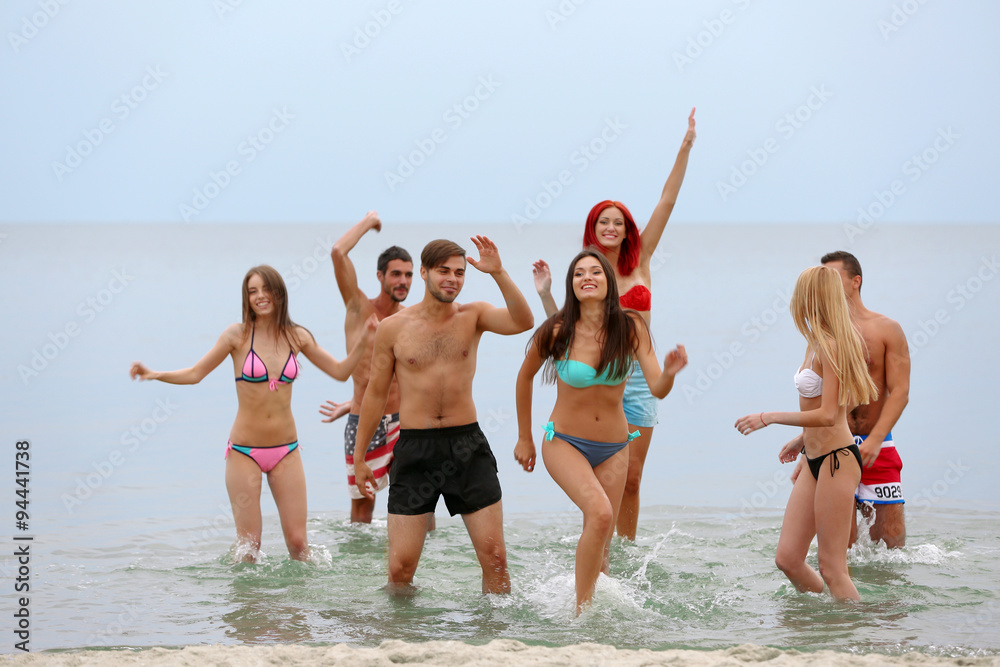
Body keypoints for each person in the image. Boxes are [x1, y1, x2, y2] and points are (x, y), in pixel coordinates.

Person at [129, 265, 374, 561]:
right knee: (249, 548)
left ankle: (300, 607)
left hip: (287, 451)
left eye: (265, 289)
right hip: (244, 452)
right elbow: (195, 373)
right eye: (252, 291)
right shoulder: (237, 336)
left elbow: (339, 371)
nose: (260, 296)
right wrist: (154, 374)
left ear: (279, 292)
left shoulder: (297, 337)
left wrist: (364, 340)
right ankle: (246, 606)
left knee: (299, 545)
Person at [532, 108, 696, 540]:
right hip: (593, 376)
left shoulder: (640, 261)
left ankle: (625, 549)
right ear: (592, 229)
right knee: (596, 471)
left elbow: (667, 202)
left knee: (633, 476)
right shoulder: (586, 273)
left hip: (639, 375)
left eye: (618, 223)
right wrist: (547, 291)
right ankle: (597, 536)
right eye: (603, 222)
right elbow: (561, 327)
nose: (611, 227)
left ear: (627, 231)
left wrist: (684, 148)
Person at [352, 236, 533, 595]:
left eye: (460, 273)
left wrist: (498, 272)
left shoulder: (473, 316)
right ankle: (402, 636)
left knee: (495, 558)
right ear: (424, 273)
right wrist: (360, 457)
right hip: (415, 448)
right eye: (443, 271)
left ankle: (497, 636)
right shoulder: (394, 328)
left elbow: (523, 321)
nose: (452, 278)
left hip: (467, 447)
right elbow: (375, 393)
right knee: (400, 569)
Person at [515, 249, 687, 613]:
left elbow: (656, 387)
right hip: (563, 441)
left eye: (595, 272)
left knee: (603, 543)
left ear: (609, 282)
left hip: (614, 446)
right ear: (571, 284)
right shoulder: (557, 329)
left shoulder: (631, 327)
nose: (587, 277)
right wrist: (524, 437)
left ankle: (602, 622)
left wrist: (670, 373)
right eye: (579, 273)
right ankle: (582, 614)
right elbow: (524, 377)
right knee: (602, 513)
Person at [735, 265, 878, 601]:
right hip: (815, 459)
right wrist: (804, 441)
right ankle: (821, 624)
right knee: (787, 559)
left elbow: (829, 414)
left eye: (799, 293)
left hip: (837, 461)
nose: (794, 300)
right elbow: (850, 398)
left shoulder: (831, 345)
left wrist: (767, 417)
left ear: (811, 298)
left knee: (832, 568)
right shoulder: (816, 341)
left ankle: (856, 632)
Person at [326, 210, 414, 523]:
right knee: (363, 508)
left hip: (405, 422)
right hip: (366, 423)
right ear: (380, 276)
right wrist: (368, 222)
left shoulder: (410, 320)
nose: (403, 281)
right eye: (396, 274)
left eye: (408, 275)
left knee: (420, 505)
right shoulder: (358, 308)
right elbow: (338, 252)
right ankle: (358, 572)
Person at [822, 251, 910, 548]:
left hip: (878, 445)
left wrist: (873, 440)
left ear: (855, 281)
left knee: (889, 544)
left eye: (832, 278)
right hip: (835, 443)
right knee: (840, 548)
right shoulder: (826, 333)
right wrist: (806, 443)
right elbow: (822, 399)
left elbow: (900, 392)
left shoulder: (887, 328)